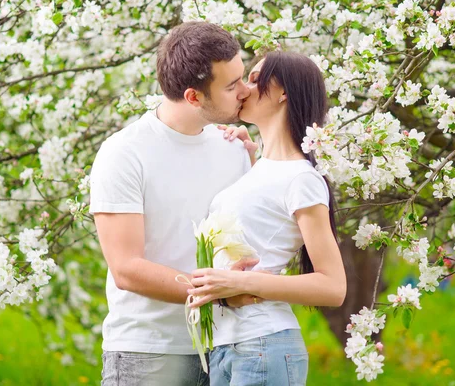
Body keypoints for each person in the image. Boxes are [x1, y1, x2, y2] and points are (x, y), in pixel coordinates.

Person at [89, 22, 259, 386]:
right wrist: (222, 294)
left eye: (242, 77)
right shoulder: (124, 153)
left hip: (226, 351)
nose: (246, 92)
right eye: (231, 86)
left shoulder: (234, 148)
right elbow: (127, 268)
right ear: (194, 97)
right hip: (149, 352)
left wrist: (258, 163)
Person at [188, 51, 348, 386]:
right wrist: (247, 154)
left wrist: (242, 283)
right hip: (226, 346)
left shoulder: (301, 179)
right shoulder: (261, 166)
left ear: (282, 92)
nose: (243, 89)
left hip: (263, 343)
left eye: (256, 79)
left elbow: (333, 287)